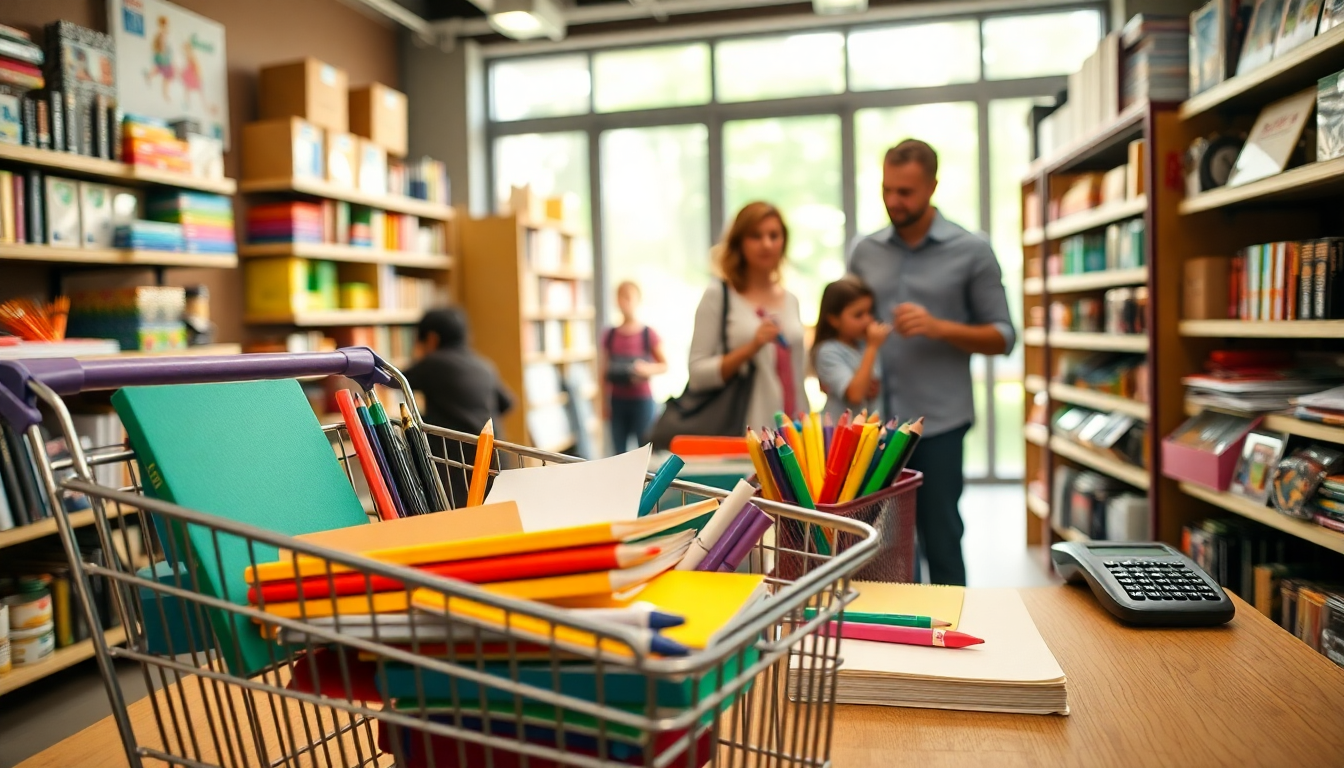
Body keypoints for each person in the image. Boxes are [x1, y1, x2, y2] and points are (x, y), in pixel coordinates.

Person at [848, 139, 1016, 586]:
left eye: (905, 192)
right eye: (886, 190)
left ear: (933, 187)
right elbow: (842, 322)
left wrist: (939, 327)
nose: (893, 201)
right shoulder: (864, 251)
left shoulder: (972, 250)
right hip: (873, 426)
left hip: (938, 423)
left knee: (941, 539)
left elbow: (1004, 336)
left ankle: (952, 623)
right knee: (879, 550)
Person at [687, 201, 806, 433]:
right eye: (755, 236)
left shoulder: (791, 300)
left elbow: (798, 372)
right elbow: (697, 375)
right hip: (743, 435)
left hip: (794, 434)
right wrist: (752, 347)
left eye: (774, 235)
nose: (766, 244)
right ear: (739, 242)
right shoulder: (718, 296)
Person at [404, 307, 515, 507]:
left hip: (456, 465)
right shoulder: (484, 365)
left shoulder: (433, 363)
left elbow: (394, 379)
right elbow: (507, 403)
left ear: (432, 339)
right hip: (494, 458)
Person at [812, 276, 892, 421]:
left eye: (870, 312)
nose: (868, 320)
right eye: (858, 315)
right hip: (841, 432)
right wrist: (872, 347)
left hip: (870, 430)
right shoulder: (828, 351)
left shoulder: (863, 345)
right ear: (833, 319)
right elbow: (855, 395)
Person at [600, 280, 667, 453]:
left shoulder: (648, 333)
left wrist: (645, 369)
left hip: (642, 401)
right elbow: (603, 371)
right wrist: (602, 403)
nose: (625, 302)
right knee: (618, 453)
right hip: (617, 401)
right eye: (621, 297)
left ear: (638, 300)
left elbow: (664, 365)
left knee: (644, 451)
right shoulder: (610, 335)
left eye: (629, 297)